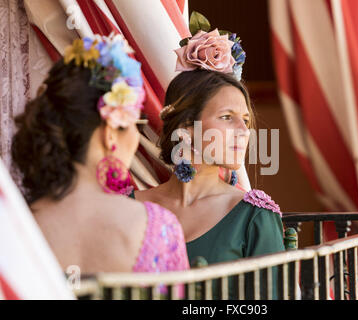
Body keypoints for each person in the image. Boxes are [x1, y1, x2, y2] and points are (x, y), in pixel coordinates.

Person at [11, 35, 189, 277]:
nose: (135, 140)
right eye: (134, 126)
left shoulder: (13, 230)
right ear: (110, 133)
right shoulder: (157, 228)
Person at [132, 22, 285, 298]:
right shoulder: (128, 207)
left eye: (246, 120)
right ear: (187, 127)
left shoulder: (255, 218)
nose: (243, 131)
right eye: (227, 117)